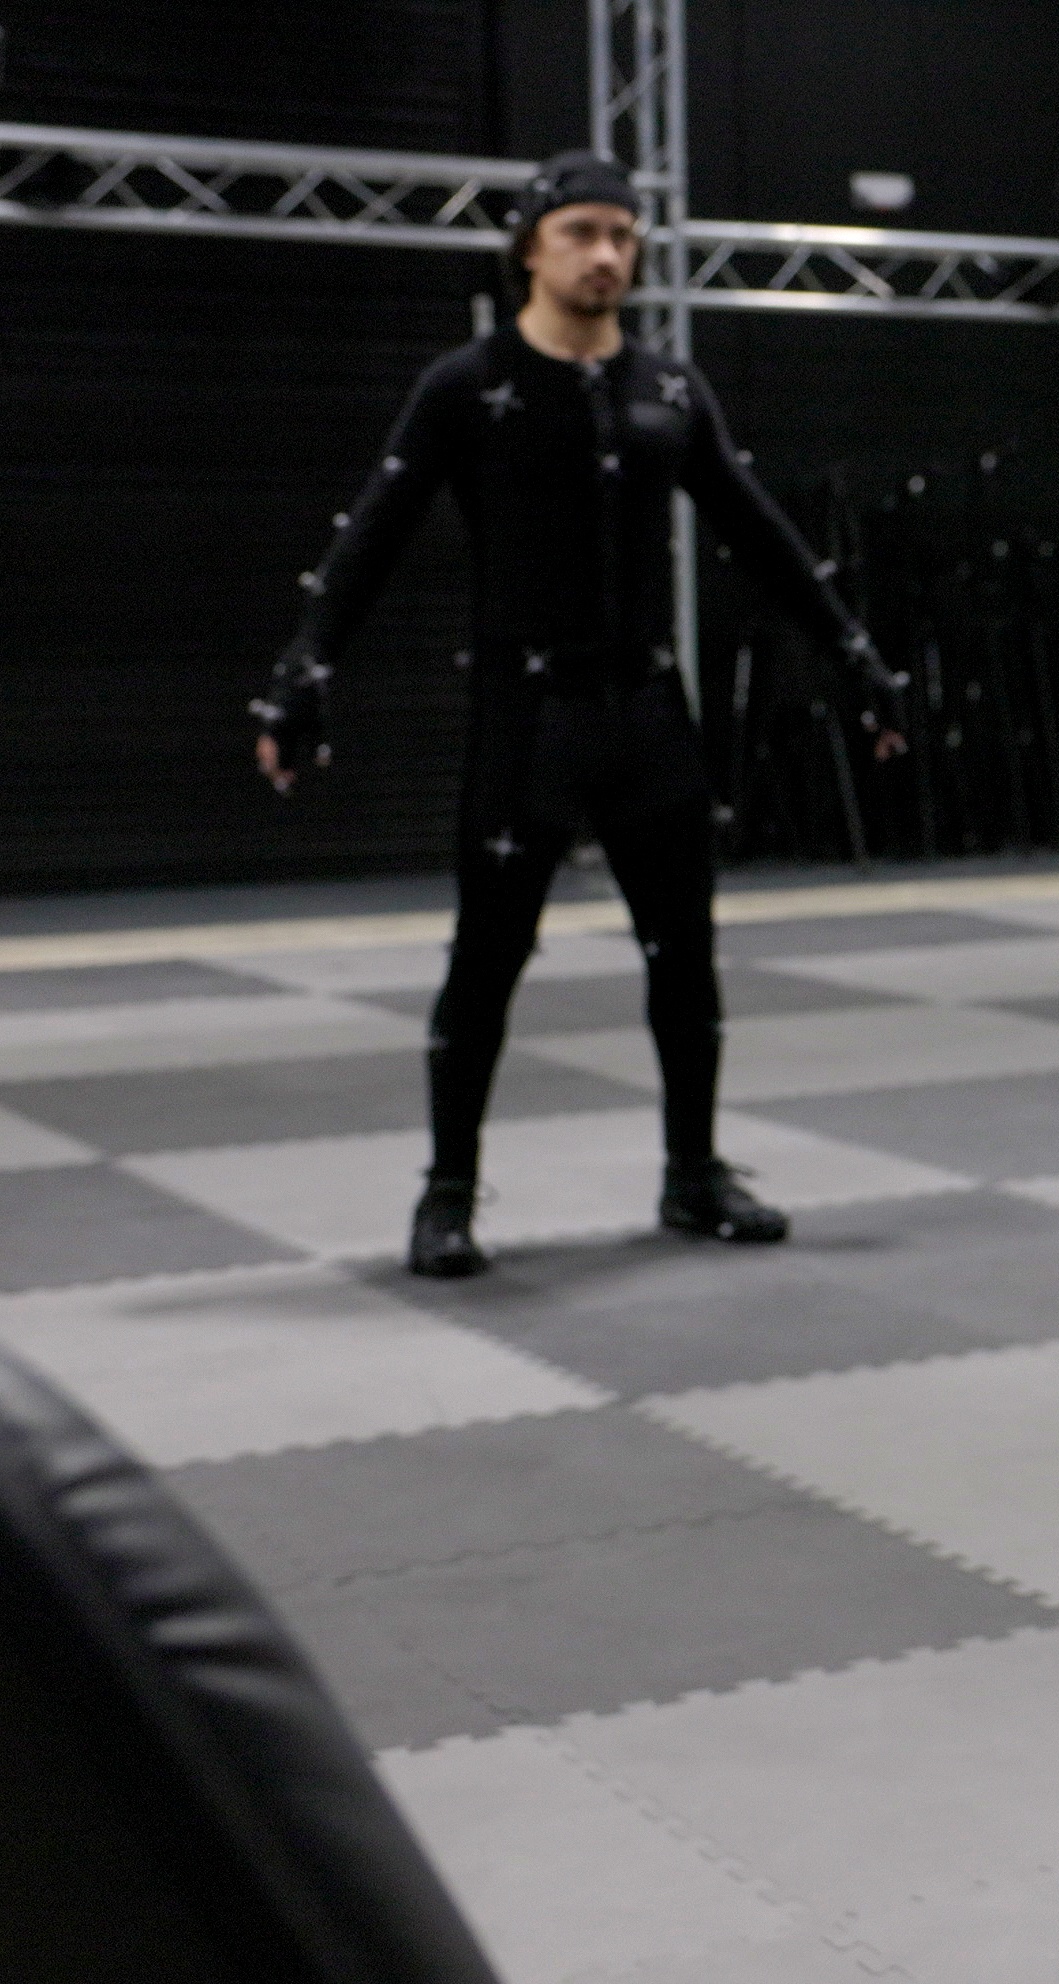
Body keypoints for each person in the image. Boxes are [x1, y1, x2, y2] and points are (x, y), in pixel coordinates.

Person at [251, 150, 909, 1278]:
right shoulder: (468, 383)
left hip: (650, 711)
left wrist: (856, 658)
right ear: (530, 249)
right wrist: (302, 673)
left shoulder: (668, 390)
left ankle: (693, 1174)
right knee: (488, 960)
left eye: (622, 234)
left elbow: (760, 535)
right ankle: (447, 1193)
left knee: (686, 957)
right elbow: (373, 535)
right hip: (528, 713)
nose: (606, 254)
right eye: (581, 234)